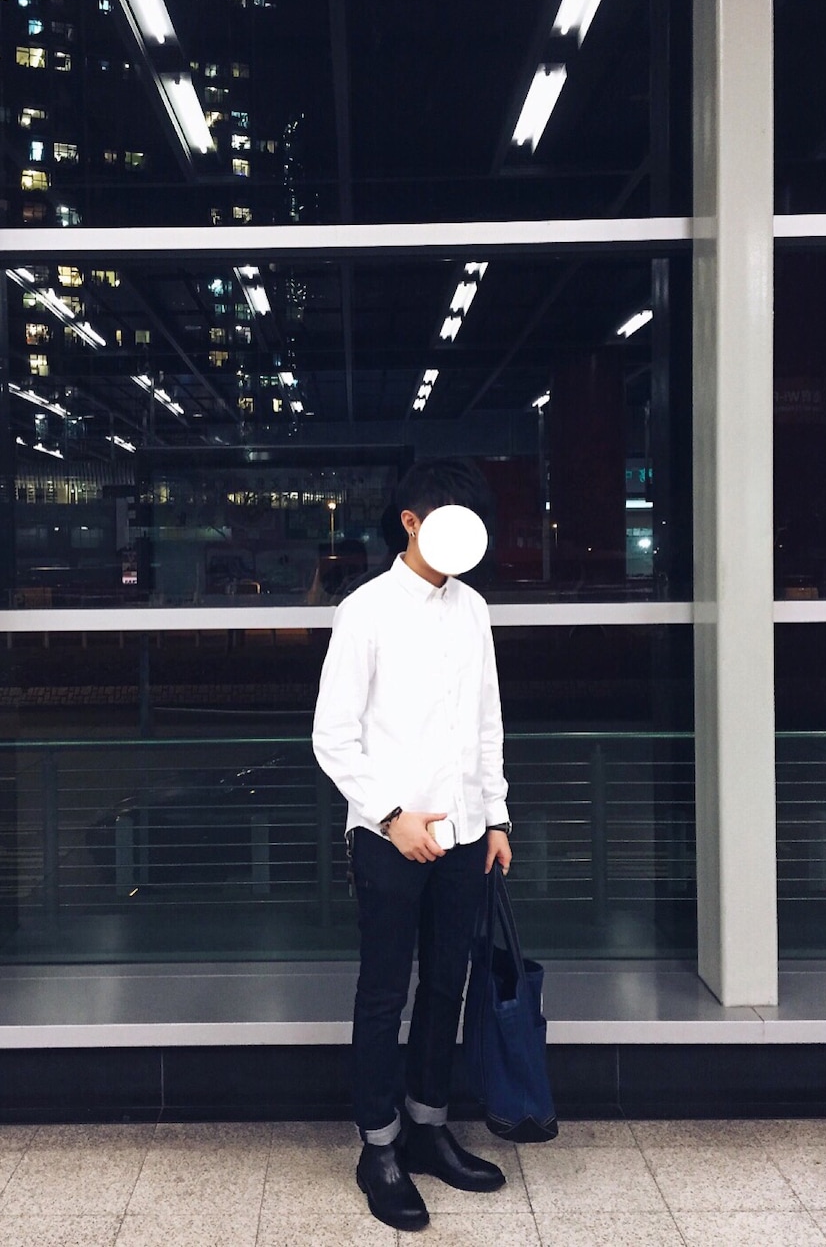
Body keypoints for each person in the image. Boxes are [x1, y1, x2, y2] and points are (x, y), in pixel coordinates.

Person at [312, 458, 512, 1232]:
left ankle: (429, 1127)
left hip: (463, 835)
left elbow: (486, 721)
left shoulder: (473, 609)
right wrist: (391, 814)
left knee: (446, 986)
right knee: (384, 992)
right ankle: (379, 1145)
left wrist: (496, 817)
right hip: (390, 838)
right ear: (412, 521)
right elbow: (332, 736)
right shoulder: (365, 611)